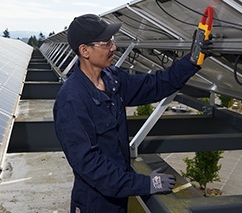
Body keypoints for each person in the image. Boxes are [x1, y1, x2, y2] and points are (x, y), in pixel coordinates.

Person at [53, 13, 212, 212]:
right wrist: (146, 184)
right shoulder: (71, 100)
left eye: (112, 41)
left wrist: (192, 61)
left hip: (119, 196)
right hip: (94, 203)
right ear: (85, 51)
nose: (113, 47)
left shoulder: (113, 80)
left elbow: (156, 85)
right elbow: (91, 165)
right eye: (106, 43)